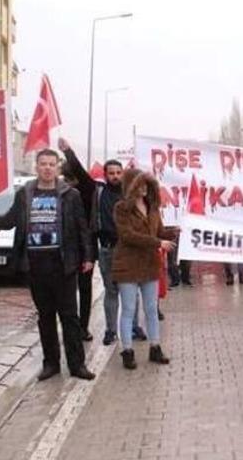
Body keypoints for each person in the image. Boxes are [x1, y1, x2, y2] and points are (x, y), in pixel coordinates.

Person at [0, 149, 96, 381]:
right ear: (36, 167)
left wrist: (87, 257)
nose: (47, 168)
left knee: (69, 317)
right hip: (36, 265)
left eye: (51, 164)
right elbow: (9, 221)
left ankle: (77, 365)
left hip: (63, 265)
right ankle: (51, 364)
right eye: (43, 164)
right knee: (45, 316)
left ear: (57, 168)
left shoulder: (71, 195)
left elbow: (82, 228)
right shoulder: (25, 194)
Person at [59, 140, 146, 345]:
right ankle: (110, 330)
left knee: (132, 291)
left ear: (123, 174)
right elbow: (80, 173)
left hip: (129, 250)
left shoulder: (131, 194)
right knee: (111, 291)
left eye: (118, 172)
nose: (115, 176)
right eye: (111, 173)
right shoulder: (97, 191)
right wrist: (68, 151)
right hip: (107, 250)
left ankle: (134, 326)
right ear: (105, 175)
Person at [112, 168, 177, 369]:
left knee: (151, 308)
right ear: (131, 186)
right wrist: (158, 242)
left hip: (149, 265)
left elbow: (160, 231)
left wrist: (173, 232)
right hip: (128, 265)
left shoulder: (153, 208)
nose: (144, 189)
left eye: (147, 185)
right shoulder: (121, 208)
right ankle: (127, 351)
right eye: (140, 185)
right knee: (129, 310)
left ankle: (155, 347)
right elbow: (128, 235)